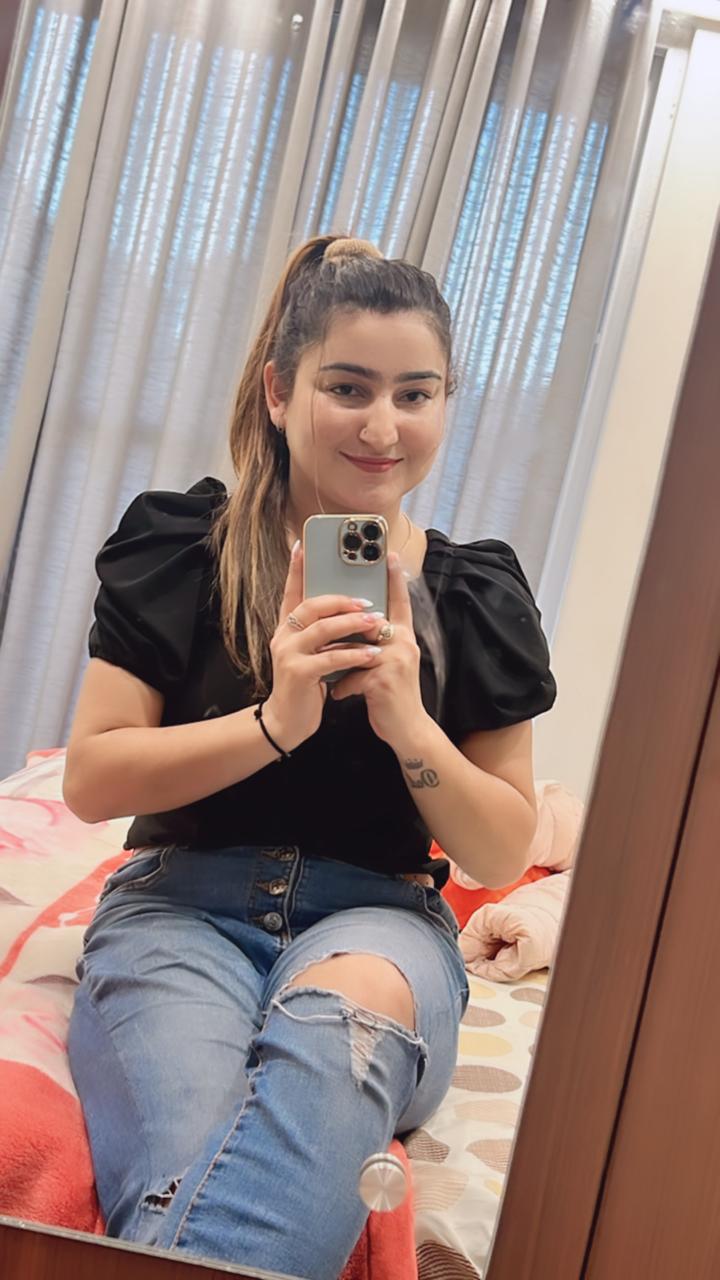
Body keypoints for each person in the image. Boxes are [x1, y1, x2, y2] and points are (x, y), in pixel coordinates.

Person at [64, 233, 556, 1280]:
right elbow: (94, 777)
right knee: (190, 1161)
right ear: (280, 391)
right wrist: (274, 722)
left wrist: (408, 721)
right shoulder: (184, 543)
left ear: (447, 403)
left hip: (381, 923)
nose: (383, 427)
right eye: (348, 387)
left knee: (344, 1030)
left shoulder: (477, 592)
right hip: (179, 906)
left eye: (416, 394)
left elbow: (500, 849)